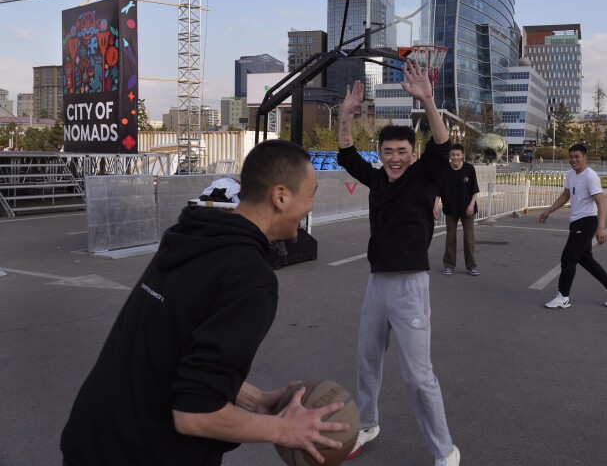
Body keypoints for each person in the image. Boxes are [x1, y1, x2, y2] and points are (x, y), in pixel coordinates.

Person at [61, 140, 349, 466]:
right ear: (280, 197)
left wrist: (253, 400)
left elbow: (172, 346)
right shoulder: (250, 279)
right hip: (141, 452)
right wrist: (284, 429)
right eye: (310, 195)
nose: (311, 206)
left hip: (92, 438)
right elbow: (194, 416)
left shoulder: (191, 236)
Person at [337, 60, 460, 466]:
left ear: (412, 155)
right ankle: (368, 422)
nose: (394, 158)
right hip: (377, 285)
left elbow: (441, 145)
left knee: (417, 376)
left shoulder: (424, 177)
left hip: (410, 287)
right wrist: (344, 117)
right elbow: (346, 154)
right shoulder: (376, 179)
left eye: (401, 152)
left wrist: (427, 100)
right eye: (388, 152)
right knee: (366, 363)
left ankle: (445, 450)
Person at [538, 143, 607, 309]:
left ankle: (563, 297)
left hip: (587, 221)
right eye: (571, 156)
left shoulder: (590, 176)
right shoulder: (571, 174)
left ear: (585, 157)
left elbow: (601, 204)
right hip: (576, 221)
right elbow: (566, 195)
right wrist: (549, 210)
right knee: (584, 259)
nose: (573, 160)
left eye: (577, 156)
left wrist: (601, 227)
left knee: (568, 259)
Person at [435, 143, 480, 276]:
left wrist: (471, 205)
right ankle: (449, 265)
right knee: (450, 238)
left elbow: (475, 190)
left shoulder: (469, 169)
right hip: (450, 209)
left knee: (469, 238)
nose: (455, 157)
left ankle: (471, 266)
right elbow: (438, 191)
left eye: (458, 155)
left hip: (467, 209)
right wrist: (434, 207)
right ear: (450, 155)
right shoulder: (444, 169)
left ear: (462, 156)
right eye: (453, 155)